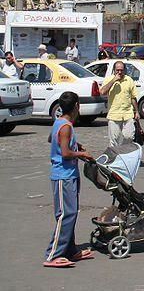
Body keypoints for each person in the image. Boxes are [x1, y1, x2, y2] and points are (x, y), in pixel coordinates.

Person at [43, 91, 94, 268]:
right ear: (76, 107)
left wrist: (74, 144)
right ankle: (53, 254)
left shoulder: (59, 122)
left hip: (69, 174)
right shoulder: (66, 126)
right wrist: (81, 153)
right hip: (63, 175)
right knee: (66, 214)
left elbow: (52, 139)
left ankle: (70, 249)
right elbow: (65, 153)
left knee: (71, 213)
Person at [100, 61, 140, 146]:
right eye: (117, 70)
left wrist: (136, 111)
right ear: (114, 70)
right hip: (114, 114)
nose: (119, 72)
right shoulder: (108, 79)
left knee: (129, 137)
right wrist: (113, 80)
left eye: (121, 70)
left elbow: (133, 97)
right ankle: (116, 156)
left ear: (124, 70)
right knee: (114, 140)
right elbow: (102, 92)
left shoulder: (129, 80)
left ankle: (124, 153)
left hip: (127, 114)